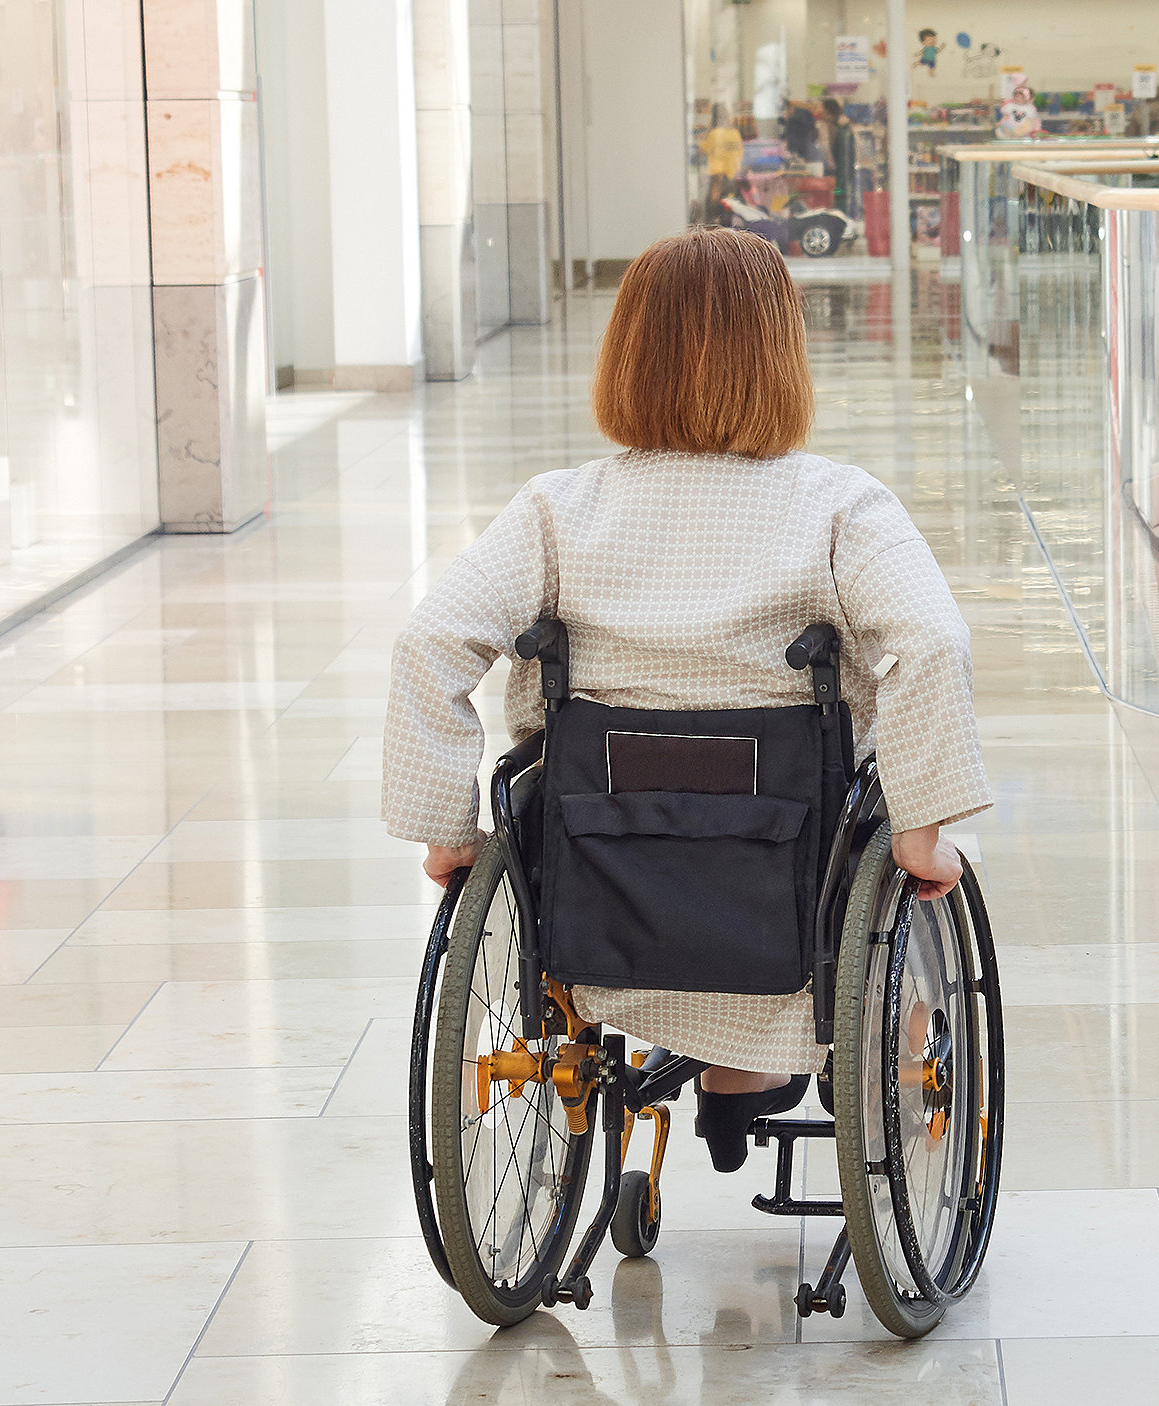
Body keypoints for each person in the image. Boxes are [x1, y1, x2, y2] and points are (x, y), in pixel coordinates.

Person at [381, 227, 991, 1174]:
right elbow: (930, 643)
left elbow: (429, 641)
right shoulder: (840, 507)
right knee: (901, 833)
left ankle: (722, 1060)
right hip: (795, 894)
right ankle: (780, 1058)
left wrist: (446, 829)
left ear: (627, 357)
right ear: (781, 360)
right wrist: (920, 827)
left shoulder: (558, 510)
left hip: (597, 907)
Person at [698, 102, 742, 220]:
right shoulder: (735, 133)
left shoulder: (714, 133)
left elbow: (702, 149)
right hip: (732, 172)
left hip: (717, 171)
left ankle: (713, 219)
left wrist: (708, 129)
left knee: (714, 198)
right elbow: (740, 153)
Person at [821, 97, 857, 214]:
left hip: (843, 178)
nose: (822, 115)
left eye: (824, 111)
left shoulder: (842, 130)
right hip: (842, 176)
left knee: (842, 206)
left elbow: (843, 159)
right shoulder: (839, 127)